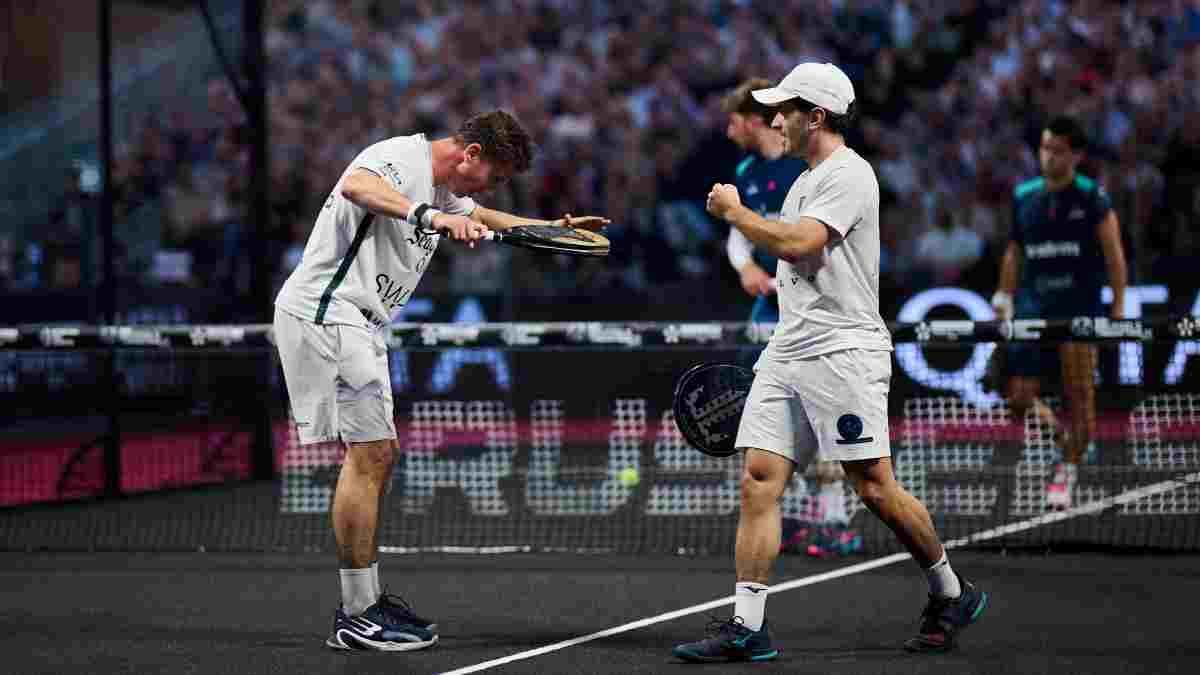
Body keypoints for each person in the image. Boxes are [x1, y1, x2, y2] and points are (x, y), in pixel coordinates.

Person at [673, 63, 987, 663]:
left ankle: (951, 591)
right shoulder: (801, 181)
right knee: (759, 479)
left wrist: (736, 215)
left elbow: (799, 244)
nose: (773, 121)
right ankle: (748, 625)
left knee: (872, 487)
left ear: (814, 116)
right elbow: (784, 249)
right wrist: (747, 247)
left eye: (783, 110)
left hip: (845, 352)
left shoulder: (850, 176)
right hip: (789, 348)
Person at [273, 111, 607, 652]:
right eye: (493, 175)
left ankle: (364, 604)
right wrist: (430, 217)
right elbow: (356, 185)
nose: (491, 187)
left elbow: (490, 217)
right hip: (328, 312)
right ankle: (357, 615)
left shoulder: (444, 185)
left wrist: (553, 231)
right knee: (371, 454)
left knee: (376, 455)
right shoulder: (402, 159)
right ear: (471, 154)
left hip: (354, 321)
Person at [720, 78, 859, 559]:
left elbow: (799, 241)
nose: (728, 128)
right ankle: (800, 513)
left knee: (835, 431)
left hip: (822, 316)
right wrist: (747, 269)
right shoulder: (747, 170)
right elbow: (740, 236)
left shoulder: (818, 173)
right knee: (768, 420)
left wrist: (764, 247)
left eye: (734, 119)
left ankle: (837, 516)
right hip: (771, 312)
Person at [991, 115, 1128, 510]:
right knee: (1017, 396)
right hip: (1034, 308)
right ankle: (1066, 443)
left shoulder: (1092, 196)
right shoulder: (1024, 196)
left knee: (1081, 396)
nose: (1048, 157)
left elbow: (1114, 254)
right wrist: (1004, 292)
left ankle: (1065, 473)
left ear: (1077, 155)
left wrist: (1118, 307)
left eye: (1058, 151)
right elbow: (1015, 251)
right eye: (1045, 148)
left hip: (1079, 310)